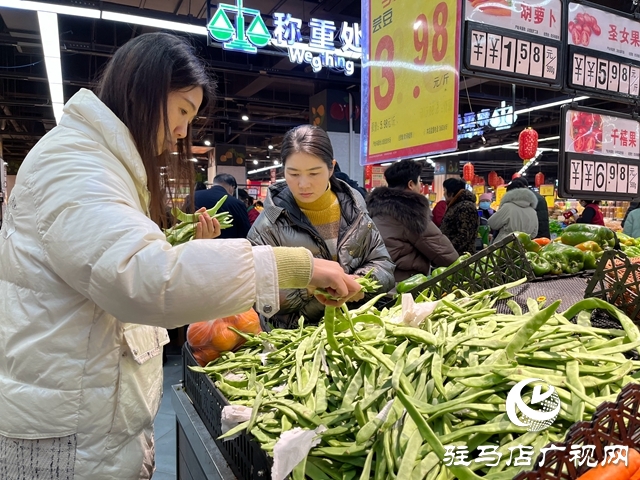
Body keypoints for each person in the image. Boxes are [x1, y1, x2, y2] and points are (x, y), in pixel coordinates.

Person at [0, 33, 361, 480]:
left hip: (81, 416)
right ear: (144, 92)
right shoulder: (76, 166)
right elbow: (144, 276)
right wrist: (295, 266)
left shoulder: (96, 162)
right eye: (182, 111)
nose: (182, 132)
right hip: (66, 437)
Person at [247, 124, 395, 328]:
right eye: (294, 174)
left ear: (331, 167)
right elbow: (257, 295)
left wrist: (360, 282)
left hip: (355, 329)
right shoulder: (268, 225)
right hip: (296, 340)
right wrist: (311, 283)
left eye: (314, 173)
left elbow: (383, 263)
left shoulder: (355, 211)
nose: (303, 184)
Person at [367, 159, 458, 282]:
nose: (420, 185)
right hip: (404, 284)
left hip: (377, 279)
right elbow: (445, 254)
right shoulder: (411, 213)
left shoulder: (374, 210)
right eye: (419, 181)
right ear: (411, 184)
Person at [194, 173, 252, 238]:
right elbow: (245, 231)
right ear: (232, 188)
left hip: (193, 244)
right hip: (227, 246)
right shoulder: (236, 203)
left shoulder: (192, 197)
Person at [440, 178, 480, 255]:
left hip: (461, 256)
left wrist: (448, 250)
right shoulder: (457, 205)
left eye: (444, 190)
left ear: (451, 193)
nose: (444, 194)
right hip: (454, 254)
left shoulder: (466, 207)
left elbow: (464, 235)